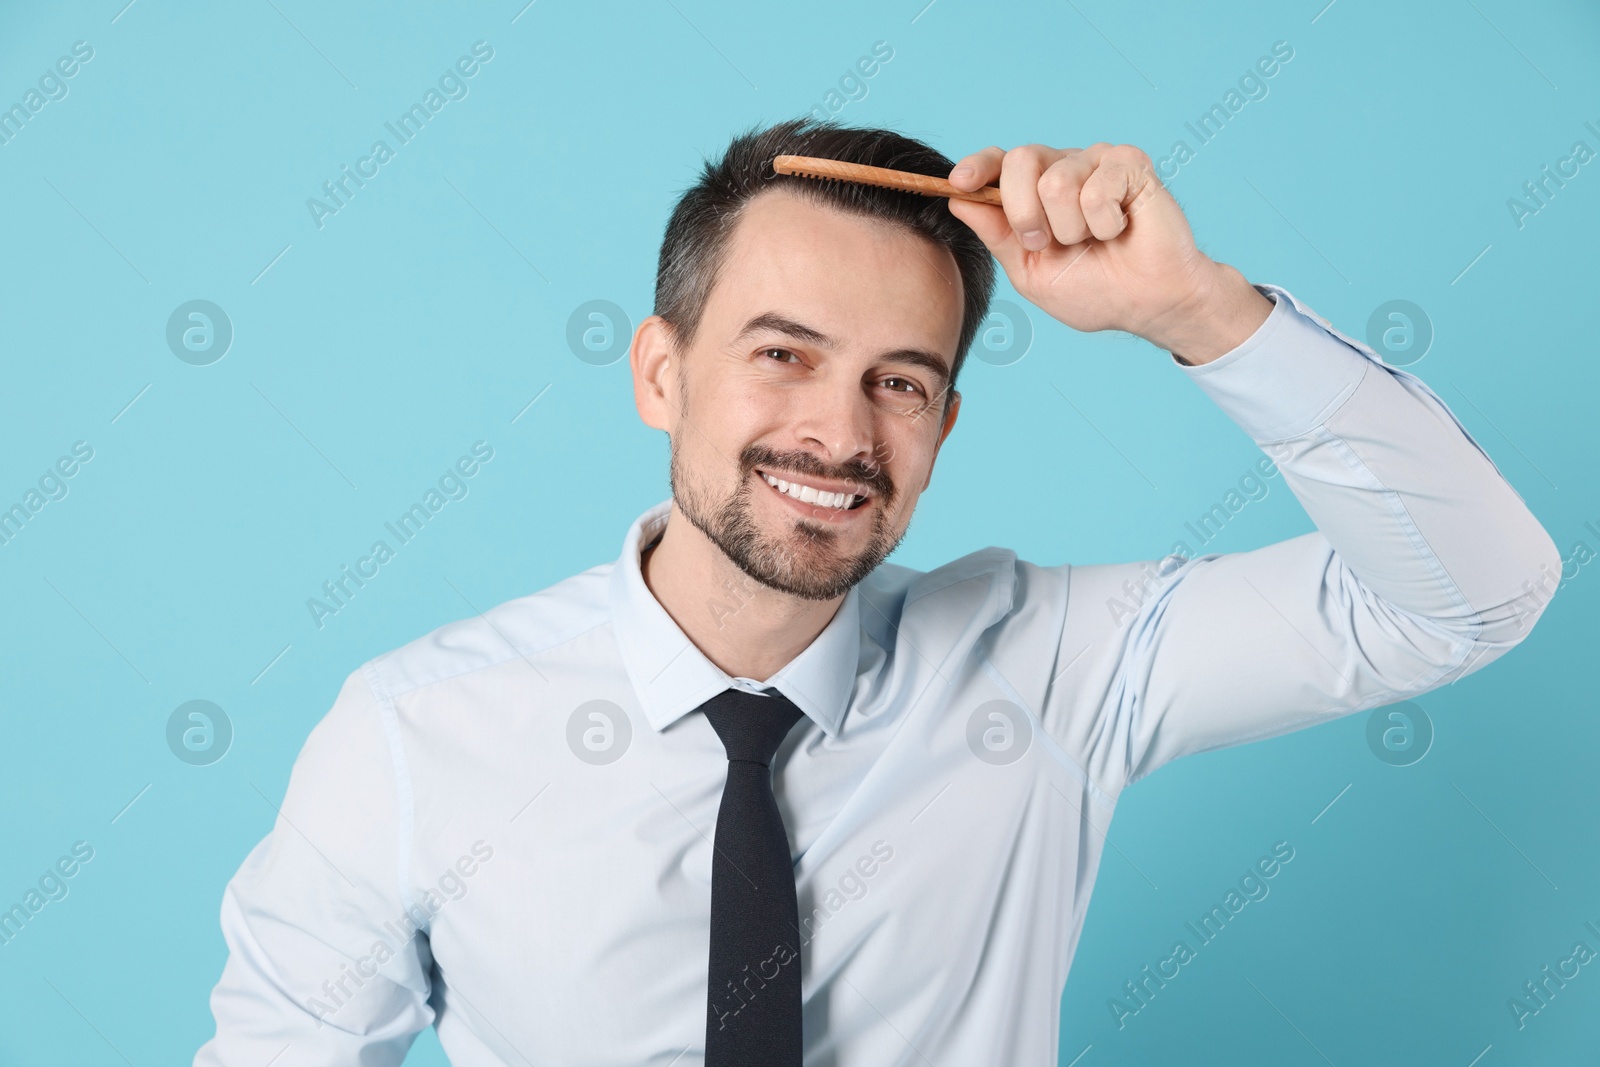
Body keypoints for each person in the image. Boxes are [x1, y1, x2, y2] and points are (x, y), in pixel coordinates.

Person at [195, 118, 1558, 1065]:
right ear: (659, 374)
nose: (842, 436)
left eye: (899, 380)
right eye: (782, 356)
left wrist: (1195, 310)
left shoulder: (1051, 670)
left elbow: (1474, 594)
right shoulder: (414, 738)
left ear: (945, 423)